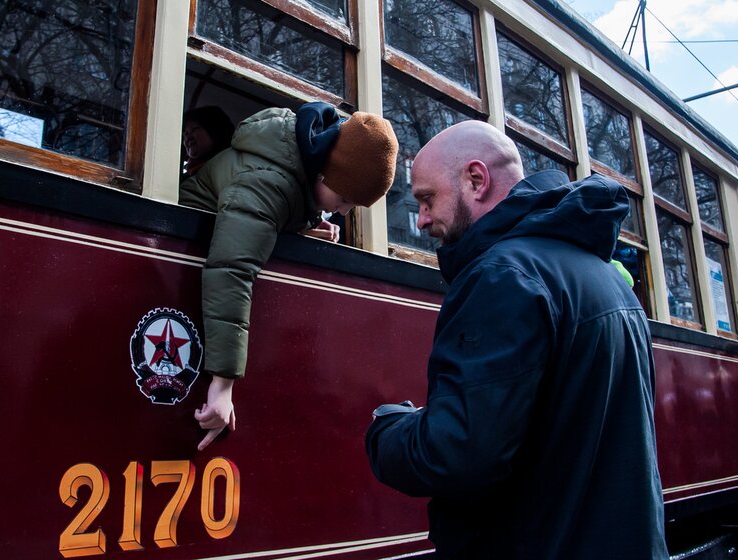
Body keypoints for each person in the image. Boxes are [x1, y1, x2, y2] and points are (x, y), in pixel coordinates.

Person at [364, 121, 668, 559]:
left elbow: (459, 454)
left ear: (476, 179)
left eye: (428, 199)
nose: (423, 219)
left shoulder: (502, 277)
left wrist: (387, 429)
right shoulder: (605, 277)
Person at [180, 101, 398, 451]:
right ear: (324, 174)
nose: (342, 211)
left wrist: (304, 225)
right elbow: (232, 271)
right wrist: (222, 385)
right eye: (344, 198)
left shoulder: (292, 166)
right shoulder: (268, 180)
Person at [180, 106, 235, 181]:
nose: (188, 137)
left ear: (215, 131)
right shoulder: (187, 175)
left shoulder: (229, 169)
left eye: (195, 129)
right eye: (185, 133)